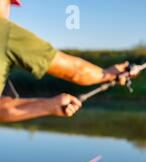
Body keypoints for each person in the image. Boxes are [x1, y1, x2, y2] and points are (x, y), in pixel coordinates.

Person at [0, 0, 138, 122]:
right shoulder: (5, 31)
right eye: (8, 3)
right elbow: (76, 71)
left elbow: (2, 110)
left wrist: (48, 106)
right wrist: (108, 73)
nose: (9, 11)